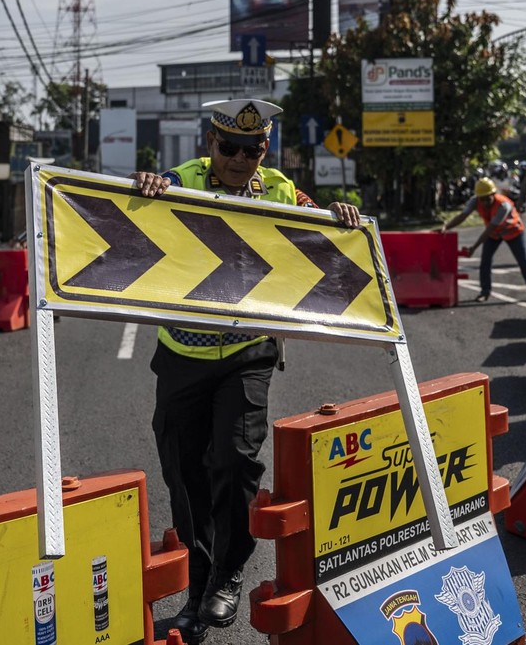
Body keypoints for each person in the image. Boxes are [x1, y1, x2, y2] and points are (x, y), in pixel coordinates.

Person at [130, 99, 360, 643]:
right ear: (211, 143)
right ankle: (199, 588)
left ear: (265, 149)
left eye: (251, 150)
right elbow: (140, 203)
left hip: (248, 353)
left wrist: (340, 216)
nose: (239, 159)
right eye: (229, 148)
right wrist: (144, 189)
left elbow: (318, 224)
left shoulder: (278, 189)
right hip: (182, 356)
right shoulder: (181, 180)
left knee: (235, 462)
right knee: (185, 474)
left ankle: (228, 573)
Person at [441, 177, 526, 304]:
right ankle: (485, 292)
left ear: (493, 194)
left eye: (487, 198)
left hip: (512, 232)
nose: (484, 202)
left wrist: (474, 248)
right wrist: (446, 227)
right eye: (482, 199)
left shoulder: (503, 205)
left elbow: (490, 228)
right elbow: (463, 216)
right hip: (494, 234)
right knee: (485, 261)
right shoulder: (475, 201)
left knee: (524, 261)